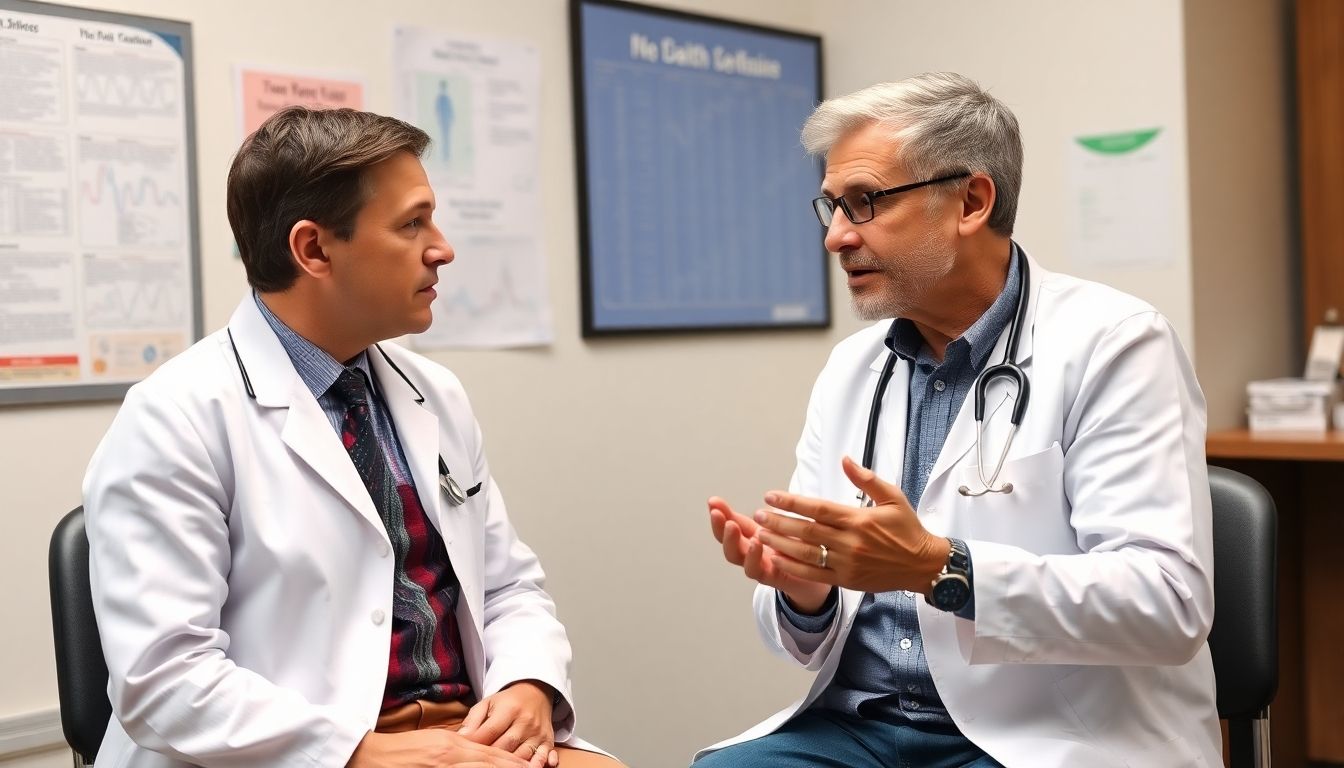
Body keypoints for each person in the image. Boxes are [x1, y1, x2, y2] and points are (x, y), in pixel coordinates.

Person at [698, 73, 1217, 768]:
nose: (837, 238)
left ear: (971, 201)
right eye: (831, 208)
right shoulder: (854, 369)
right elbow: (802, 635)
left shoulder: (1116, 343)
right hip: (862, 728)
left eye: (864, 202)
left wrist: (944, 568)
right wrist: (803, 586)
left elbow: (1168, 603)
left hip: (1044, 735)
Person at [83, 106, 623, 768]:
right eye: (412, 223)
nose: (442, 248)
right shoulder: (176, 417)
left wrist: (528, 684)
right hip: (296, 749)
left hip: (460, 733)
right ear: (313, 249)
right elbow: (161, 680)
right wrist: (356, 753)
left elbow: (507, 586)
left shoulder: (435, 395)